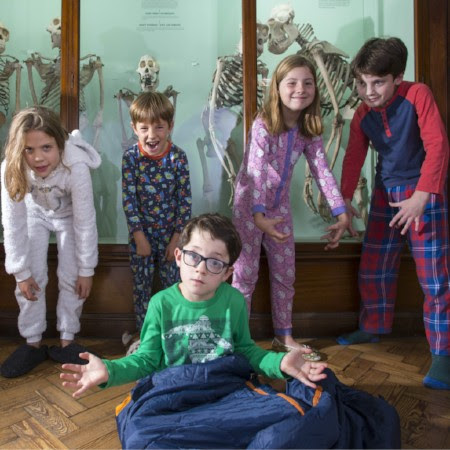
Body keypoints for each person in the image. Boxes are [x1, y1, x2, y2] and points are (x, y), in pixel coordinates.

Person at [60, 213, 328, 399]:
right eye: (193, 256)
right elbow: (146, 360)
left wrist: (280, 362)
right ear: (178, 256)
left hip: (222, 387)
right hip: (173, 390)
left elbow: (246, 351)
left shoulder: (233, 300)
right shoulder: (161, 304)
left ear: (227, 273)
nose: (200, 268)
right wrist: (110, 369)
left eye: (214, 262)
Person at [336, 37, 450, 390]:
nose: (368, 91)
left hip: (422, 192)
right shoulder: (362, 114)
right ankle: (372, 327)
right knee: (374, 263)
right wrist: (343, 205)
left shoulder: (418, 95)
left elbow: (438, 146)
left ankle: (443, 355)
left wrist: (423, 195)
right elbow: (354, 158)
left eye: (378, 82)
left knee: (434, 277)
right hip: (387, 191)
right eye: (361, 82)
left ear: (397, 77)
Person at [231, 54, 349, 354]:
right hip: (249, 208)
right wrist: (257, 215)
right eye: (292, 82)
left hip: (279, 208)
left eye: (307, 83)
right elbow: (255, 172)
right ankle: (238, 340)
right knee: (245, 276)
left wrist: (340, 212)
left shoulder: (309, 129)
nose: (300, 89)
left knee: (285, 274)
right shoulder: (263, 125)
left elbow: (321, 169)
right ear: (277, 88)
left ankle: (283, 337)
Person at [0, 106, 101, 378]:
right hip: (34, 214)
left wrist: (86, 269)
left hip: (68, 215)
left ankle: (67, 339)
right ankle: (32, 342)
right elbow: (13, 224)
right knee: (32, 277)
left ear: (60, 144)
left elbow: (84, 220)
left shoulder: (75, 165)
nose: (37, 158)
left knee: (71, 274)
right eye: (29, 150)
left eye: (46, 148)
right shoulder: (12, 167)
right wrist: (20, 271)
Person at [122, 91, 191, 332]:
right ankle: (145, 337)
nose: (152, 135)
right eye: (144, 128)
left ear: (170, 126)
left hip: (172, 238)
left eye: (159, 127)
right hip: (141, 237)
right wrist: (139, 237)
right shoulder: (131, 158)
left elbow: (185, 201)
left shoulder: (178, 158)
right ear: (134, 128)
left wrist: (176, 240)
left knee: (173, 287)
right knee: (142, 288)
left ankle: (173, 334)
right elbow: (129, 200)